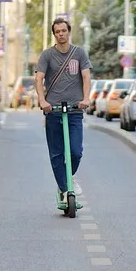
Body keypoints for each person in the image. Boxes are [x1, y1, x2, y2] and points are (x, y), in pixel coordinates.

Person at [34, 18, 92, 210]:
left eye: (63, 31)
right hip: (54, 111)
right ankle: (64, 189)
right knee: (57, 153)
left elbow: (85, 76)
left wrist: (86, 98)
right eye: (57, 31)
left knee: (76, 151)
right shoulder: (47, 55)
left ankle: (66, 182)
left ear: (69, 32)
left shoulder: (79, 53)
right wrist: (43, 101)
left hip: (75, 110)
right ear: (54, 34)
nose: (61, 34)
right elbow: (39, 78)